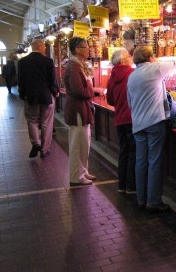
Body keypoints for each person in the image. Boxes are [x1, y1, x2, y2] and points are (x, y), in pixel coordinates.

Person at [127, 46, 176, 211]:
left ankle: (141, 198)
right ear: (150, 57)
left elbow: (130, 102)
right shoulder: (154, 69)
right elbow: (175, 62)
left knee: (141, 161)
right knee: (154, 161)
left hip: (137, 124)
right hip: (154, 122)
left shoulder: (132, 76)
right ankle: (153, 201)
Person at [64, 37, 103, 186]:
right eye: (85, 47)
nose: (88, 49)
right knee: (77, 144)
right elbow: (79, 91)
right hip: (77, 111)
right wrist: (93, 89)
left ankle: (83, 170)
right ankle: (76, 176)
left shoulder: (79, 65)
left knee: (84, 143)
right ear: (77, 50)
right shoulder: (73, 67)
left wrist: (91, 89)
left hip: (82, 109)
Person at [18, 39, 59, 159]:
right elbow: (52, 79)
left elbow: (21, 81)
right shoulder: (48, 61)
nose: (45, 49)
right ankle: (45, 150)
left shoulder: (22, 62)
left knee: (32, 120)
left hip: (30, 96)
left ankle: (36, 143)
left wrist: (23, 94)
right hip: (46, 96)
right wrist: (55, 92)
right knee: (47, 122)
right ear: (39, 46)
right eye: (44, 47)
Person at [106, 48, 136, 194]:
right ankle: (131, 186)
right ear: (123, 61)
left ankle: (121, 184)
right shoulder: (132, 74)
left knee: (123, 152)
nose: (131, 59)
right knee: (133, 152)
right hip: (132, 119)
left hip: (119, 120)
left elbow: (110, 100)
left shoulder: (111, 78)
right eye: (129, 57)